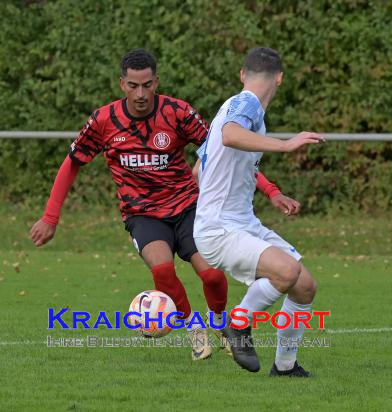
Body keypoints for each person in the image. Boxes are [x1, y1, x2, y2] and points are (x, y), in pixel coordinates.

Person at [30, 48, 289, 361]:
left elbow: (225, 154)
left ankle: (220, 323)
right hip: (142, 213)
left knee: (211, 276)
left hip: (188, 207)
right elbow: (71, 164)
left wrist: (272, 191)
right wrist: (50, 217)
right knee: (163, 270)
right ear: (122, 84)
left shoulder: (177, 113)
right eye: (133, 86)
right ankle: (196, 329)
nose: (141, 93)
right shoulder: (103, 121)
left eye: (148, 85)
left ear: (156, 82)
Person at [193, 47, 324, 376]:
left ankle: (285, 367)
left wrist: (271, 192)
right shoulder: (245, 103)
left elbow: (201, 168)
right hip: (221, 228)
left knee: (304, 285)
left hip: (239, 222)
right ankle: (237, 326)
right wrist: (285, 144)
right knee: (286, 272)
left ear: (242, 73)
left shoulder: (236, 111)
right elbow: (231, 136)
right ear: (280, 78)